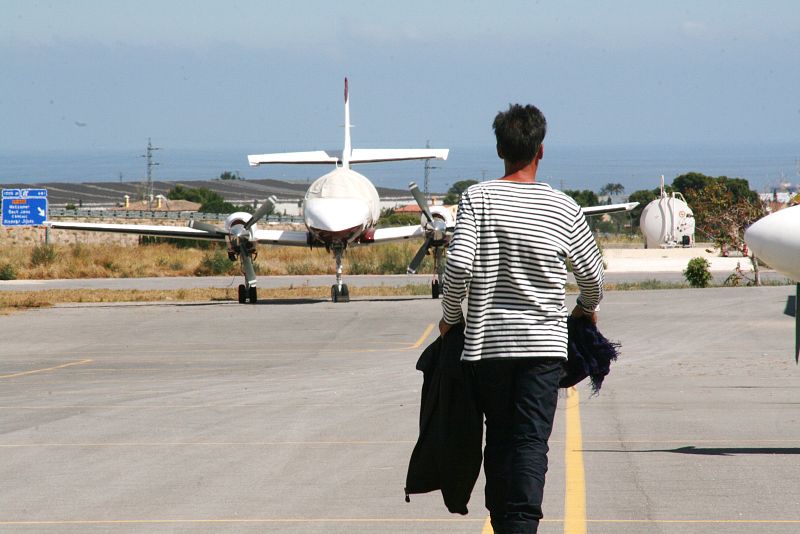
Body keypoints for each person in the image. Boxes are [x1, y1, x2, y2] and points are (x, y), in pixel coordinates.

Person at [438, 103, 603, 533]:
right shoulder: (563, 207)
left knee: (498, 438)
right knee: (530, 442)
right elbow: (592, 275)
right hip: (544, 350)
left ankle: (503, 521)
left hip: (487, 347)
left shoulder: (477, 198)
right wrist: (585, 309)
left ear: (499, 149)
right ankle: (523, 524)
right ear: (540, 150)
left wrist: (451, 317)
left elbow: (457, 266)